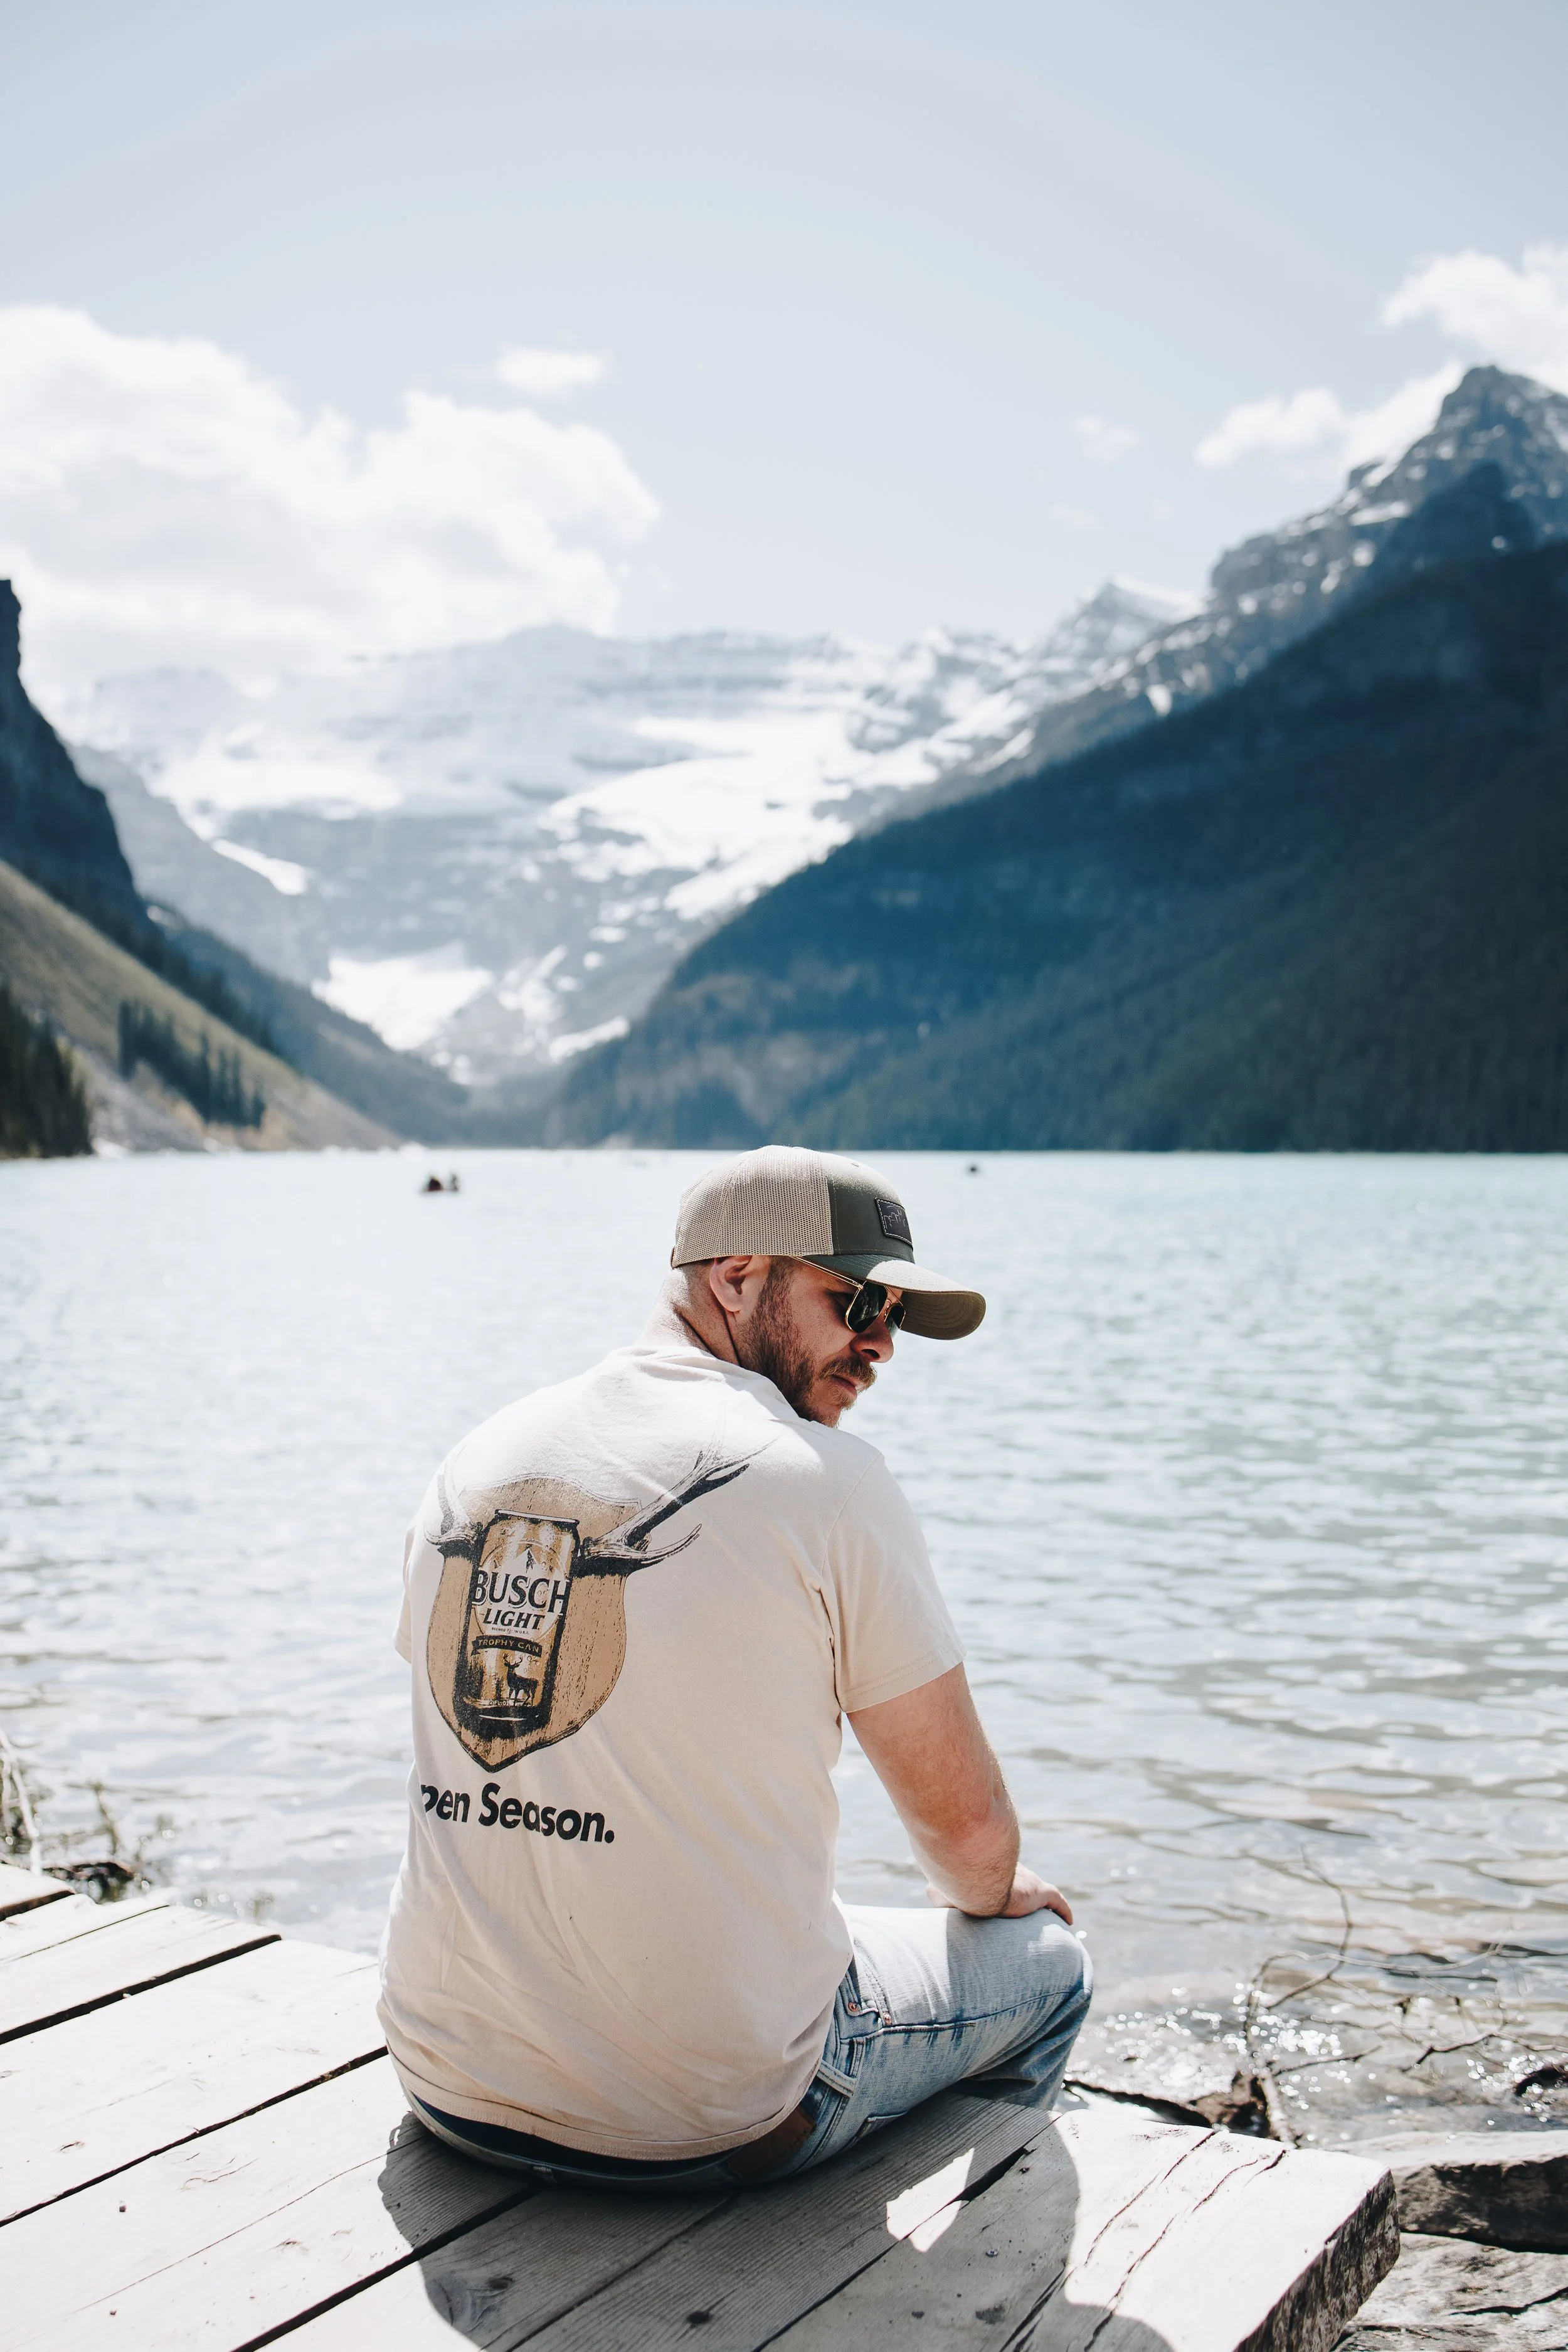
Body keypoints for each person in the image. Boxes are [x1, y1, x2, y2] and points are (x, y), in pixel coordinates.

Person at [379, 1145, 1090, 2186]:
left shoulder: (480, 1456)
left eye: (893, 1315)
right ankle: (940, 2284)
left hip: (448, 2082)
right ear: (736, 1273)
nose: (883, 1344)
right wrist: (1000, 1890)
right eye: (855, 1303)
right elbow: (972, 1843)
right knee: (1050, 1963)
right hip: (717, 2119)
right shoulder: (829, 1485)